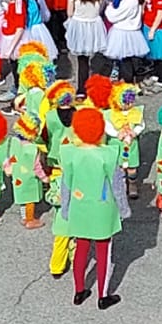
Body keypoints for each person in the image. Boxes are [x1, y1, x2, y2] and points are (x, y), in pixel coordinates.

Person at [56, 106, 124, 308]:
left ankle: (79, 291)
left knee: (81, 250)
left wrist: (66, 209)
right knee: (104, 253)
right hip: (103, 210)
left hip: (79, 209)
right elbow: (117, 185)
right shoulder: (108, 155)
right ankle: (103, 296)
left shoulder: (70, 154)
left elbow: (66, 184)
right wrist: (123, 210)